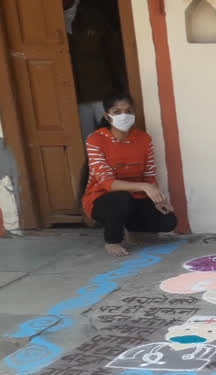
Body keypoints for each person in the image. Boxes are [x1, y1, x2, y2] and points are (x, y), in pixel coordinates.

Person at [81, 93, 177, 257]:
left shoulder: (143, 139)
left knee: (168, 221)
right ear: (107, 116)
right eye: (117, 112)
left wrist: (158, 199)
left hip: (135, 197)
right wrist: (144, 186)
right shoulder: (95, 139)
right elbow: (107, 183)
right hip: (103, 199)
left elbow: (149, 175)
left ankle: (130, 228)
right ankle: (112, 240)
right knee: (120, 199)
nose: (123, 116)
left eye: (128, 111)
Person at [66, 0, 127, 142]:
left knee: (113, 137)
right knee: (86, 143)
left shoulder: (92, 12)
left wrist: (121, 87)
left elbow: (114, 53)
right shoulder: (46, 18)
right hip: (71, 93)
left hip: (102, 90)